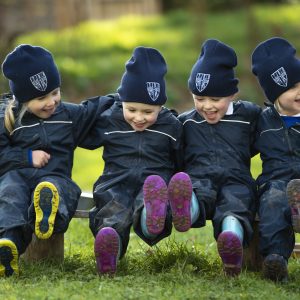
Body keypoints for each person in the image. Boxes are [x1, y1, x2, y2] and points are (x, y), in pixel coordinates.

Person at [80, 46, 193, 275]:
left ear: (160, 106)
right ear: (121, 101)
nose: (139, 118)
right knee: (112, 211)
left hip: (154, 182)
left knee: (152, 201)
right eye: (131, 109)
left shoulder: (170, 126)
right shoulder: (110, 119)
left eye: (148, 112)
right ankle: (109, 250)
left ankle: (151, 221)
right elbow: (81, 132)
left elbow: (180, 157)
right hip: (115, 180)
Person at [0, 44, 109, 277]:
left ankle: (47, 212)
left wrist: (127, 96)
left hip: (54, 177)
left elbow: (94, 111)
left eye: (55, 92)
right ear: (24, 99)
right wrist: (27, 157)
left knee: (61, 189)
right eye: (41, 97)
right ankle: (7, 245)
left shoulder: (68, 116)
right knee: (10, 195)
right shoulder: (7, 118)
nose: (51, 102)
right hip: (16, 177)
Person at [178, 39, 261, 276]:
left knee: (236, 205)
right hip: (199, 177)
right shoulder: (186, 121)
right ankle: (186, 209)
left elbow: (261, 140)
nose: (207, 106)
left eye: (215, 100)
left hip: (237, 180)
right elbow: (177, 151)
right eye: (199, 98)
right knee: (196, 191)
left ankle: (231, 242)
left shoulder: (249, 116)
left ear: (232, 94)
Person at [251, 37, 300, 282]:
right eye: (292, 87)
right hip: (276, 181)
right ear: (275, 93)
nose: (299, 90)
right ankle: (275, 259)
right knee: (271, 202)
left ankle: (299, 206)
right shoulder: (263, 121)